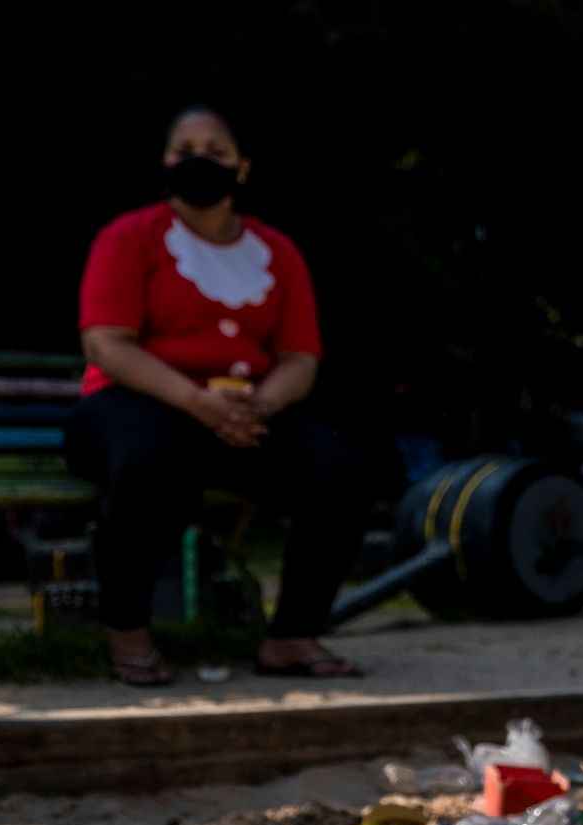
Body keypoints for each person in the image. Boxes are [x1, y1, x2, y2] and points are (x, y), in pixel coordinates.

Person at [69, 105, 367, 685]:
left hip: (242, 413)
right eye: (184, 150)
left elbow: (299, 358)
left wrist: (262, 406)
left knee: (340, 469)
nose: (198, 160)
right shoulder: (129, 238)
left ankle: (292, 636)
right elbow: (106, 344)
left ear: (243, 168)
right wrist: (195, 401)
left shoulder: (278, 252)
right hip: (132, 404)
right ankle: (127, 631)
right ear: (165, 163)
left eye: (215, 150)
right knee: (151, 462)